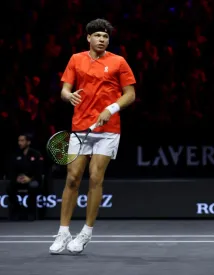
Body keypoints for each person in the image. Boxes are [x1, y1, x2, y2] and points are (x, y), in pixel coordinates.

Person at [49, 18, 136, 254]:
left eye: (106, 36)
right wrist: (67, 96)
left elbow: (130, 94)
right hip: (80, 127)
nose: (102, 39)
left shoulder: (118, 62)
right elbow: (65, 89)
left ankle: (86, 232)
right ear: (88, 38)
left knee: (95, 177)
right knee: (72, 178)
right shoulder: (76, 59)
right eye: (98, 35)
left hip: (107, 130)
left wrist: (111, 109)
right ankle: (63, 232)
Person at [7, 134, 43, 221]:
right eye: (19, 141)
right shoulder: (15, 154)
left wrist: (30, 178)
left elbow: (40, 171)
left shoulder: (36, 154)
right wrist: (16, 178)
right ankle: (18, 209)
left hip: (32, 179)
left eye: (22, 141)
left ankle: (31, 212)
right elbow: (11, 170)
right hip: (19, 180)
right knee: (9, 188)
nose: (20, 143)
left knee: (33, 186)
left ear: (28, 142)